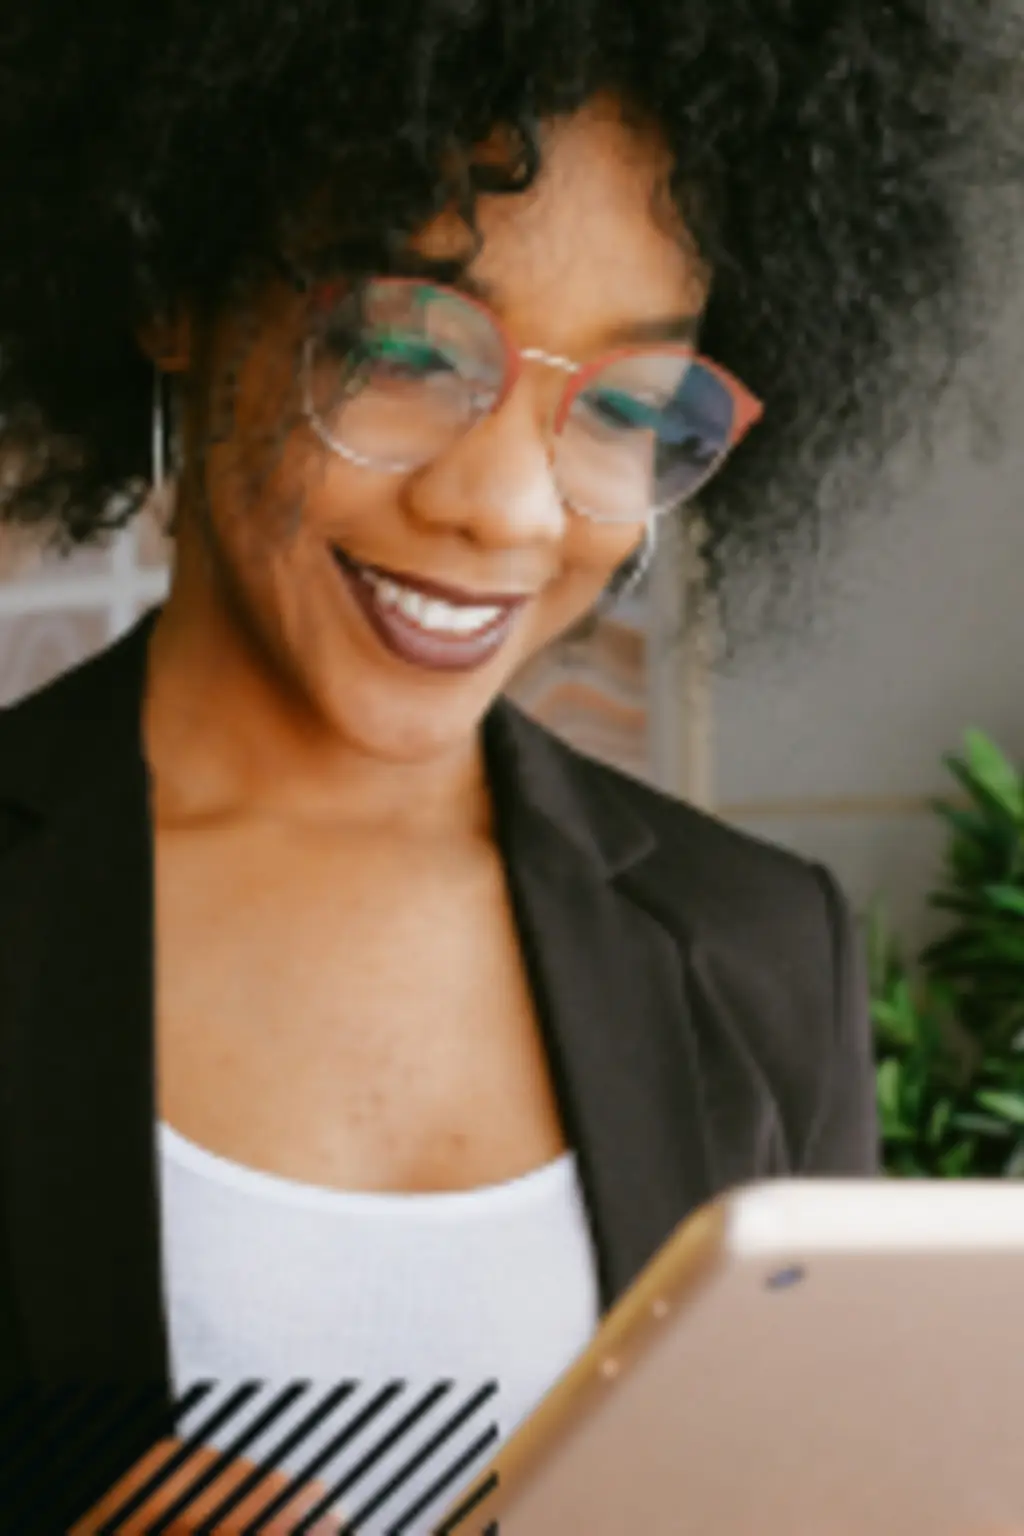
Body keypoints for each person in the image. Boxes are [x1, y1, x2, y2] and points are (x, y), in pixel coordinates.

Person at [0, 3, 1019, 1531]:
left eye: (621, 404)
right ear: (177, 288)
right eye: (407, 350)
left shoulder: (755, 953)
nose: (513, 511)